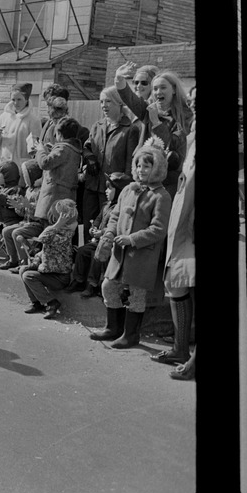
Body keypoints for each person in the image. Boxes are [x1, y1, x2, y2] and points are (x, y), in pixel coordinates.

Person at [89, 137, 173, 349]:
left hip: (142, 254)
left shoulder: (161, 196)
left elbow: (159, 229)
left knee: (136, 294)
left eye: (147, 165)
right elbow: (116, 216)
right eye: (138, 165)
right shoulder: (128, 189)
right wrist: (109, 234)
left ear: (158, 167)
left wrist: (132, 239)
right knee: (109, 285)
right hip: (120, 251)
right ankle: (113, 327)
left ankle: (131, 335)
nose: (142, 170)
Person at [152, 86, 196, 374]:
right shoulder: (192, 134)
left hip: (193, 222)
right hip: (182, 218)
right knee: (176, 283)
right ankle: (181, 348)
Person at [81, 86, 141, 244]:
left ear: (119, 103)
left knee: (106, 228)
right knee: (89, 224)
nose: (103, 105)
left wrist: (124, 188)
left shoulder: (130, 130)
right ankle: (87, 261)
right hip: (92, 185)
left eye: (108, 101)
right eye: (101, 102)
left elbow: (130, 165)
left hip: (112, 190)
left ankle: (102, 266)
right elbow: (87, 146)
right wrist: (90, 157)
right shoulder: (97, 125)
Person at [66, 172, 132, 297]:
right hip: (99, 240)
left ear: (120, 191)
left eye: (110, 188)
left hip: (110, 243)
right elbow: (97, 219)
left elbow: (118, 227)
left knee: (97, 254)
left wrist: (102, 232)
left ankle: (92, 284)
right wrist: (94, 228)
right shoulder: (106, 206)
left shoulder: (122, 208)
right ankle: (79, 280)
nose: (106, 191)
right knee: (82, 251)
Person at [20, 199, 79, 320]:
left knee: (28, 275)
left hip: (59, 277)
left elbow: (43, 238)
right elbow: (45, 251)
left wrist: (58, 224)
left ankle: (51, 303)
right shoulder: (57, 231)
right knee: (23, 270)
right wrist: (36, 260)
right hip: (50, 272)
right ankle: (36, 303)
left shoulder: (64, 234)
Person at [0, 159, 44, 270]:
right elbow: (22, 212)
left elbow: (41, 212)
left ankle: (24, 262)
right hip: (26, 222)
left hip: (37, 225)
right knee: (6, 231)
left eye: (26, 175)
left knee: (16, 233)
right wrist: (18, 207)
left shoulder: (40, 192)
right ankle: (12, 259)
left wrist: (29, 206)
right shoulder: (28, 190)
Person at [0, 82, 42, 169]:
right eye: (13, 99)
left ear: (26, 99)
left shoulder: (33, 120)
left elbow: (35, 148)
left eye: (19, 99)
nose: (15, 103)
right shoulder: (4, 116)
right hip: (2, 165)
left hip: (19, 166)